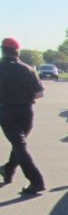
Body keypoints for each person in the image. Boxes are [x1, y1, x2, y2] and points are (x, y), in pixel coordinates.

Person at [0, 37, 46, 194]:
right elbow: (39, 94)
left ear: (3, 50)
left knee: (19, 145)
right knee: (19, 144)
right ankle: (8, 169)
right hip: (26, 111)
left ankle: (36, 181)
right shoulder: (27, 69)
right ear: (17, 52)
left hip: (6, 111)